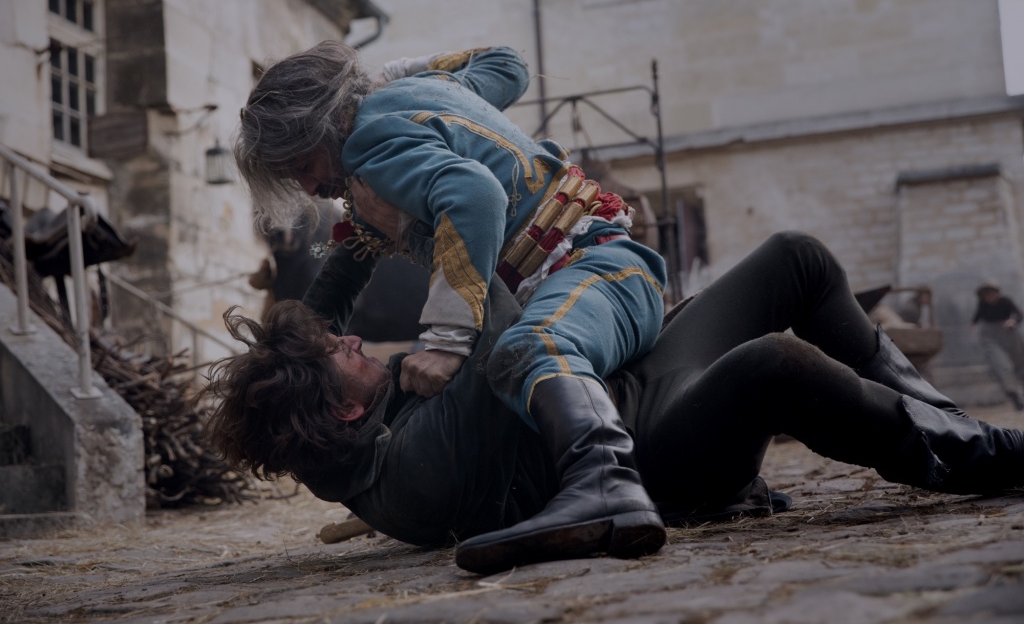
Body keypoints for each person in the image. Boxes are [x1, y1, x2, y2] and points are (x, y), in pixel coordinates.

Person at [201, 231, 1024, 575]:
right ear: (340, 413)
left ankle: (944, 414)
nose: (352, 341)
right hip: (657, 453)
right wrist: (424, 213)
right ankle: (965, 456)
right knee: (773, 363)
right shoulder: (410, 472)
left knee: (795, 259)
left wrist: (366, 229)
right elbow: (500, 315)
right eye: (336, 354)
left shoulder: (371, 426)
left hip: (632, 388)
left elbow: (375, 313)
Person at [233, 43, 670, 564]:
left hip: (591, 270)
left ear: (327, 126)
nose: (308, 186)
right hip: (599, 259)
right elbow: (508, 66)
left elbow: (477, 195)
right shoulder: (422, 94)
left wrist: (446, 340)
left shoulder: (367, 145)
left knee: (530, 348)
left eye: (305, 165)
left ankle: (605, 485)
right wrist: (287, 353)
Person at [972, 282, 1024, 411]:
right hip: (991, 337)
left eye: (991, 294)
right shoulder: (982, 304)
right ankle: (1014, 396)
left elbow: (1018, 315)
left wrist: (1012, 321)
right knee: (1003, 366)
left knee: (1020, 364)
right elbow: (978, 316)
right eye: (986, 295)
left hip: (1009, 334)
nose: (990, 297)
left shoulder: (1005, 301)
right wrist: (972, 324)